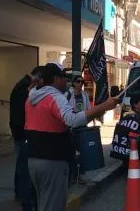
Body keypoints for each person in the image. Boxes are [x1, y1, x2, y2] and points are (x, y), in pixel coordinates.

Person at [25, 62, 119, 211]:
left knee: (43, 203)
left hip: (33, 160)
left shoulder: (31, 98)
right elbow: (73, 120)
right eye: (64, 77)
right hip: (52, 161)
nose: (67, 81)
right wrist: (104, 106)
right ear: (55, 79)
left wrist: (96, 111)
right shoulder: (55, 97)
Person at [9, 66, 44, 210]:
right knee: (24, 168)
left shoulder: (22, 85)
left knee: (21, 165)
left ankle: (20, 193)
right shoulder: (24, 88)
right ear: (37, 78)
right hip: (22, 131)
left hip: (19, 130)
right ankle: (26, 200)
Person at [66, 76, 92, 184]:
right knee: (71, 153)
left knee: (82, 152)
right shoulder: (68, 94)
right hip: (72, 127)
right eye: (78, 81)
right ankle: (71, 176)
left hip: (82, 126)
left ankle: (79, 176)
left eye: (82, 82)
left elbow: (88, 109)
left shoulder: (85, 94)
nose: (80, 83)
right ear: (73, 83)